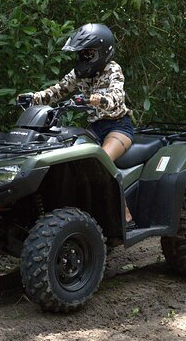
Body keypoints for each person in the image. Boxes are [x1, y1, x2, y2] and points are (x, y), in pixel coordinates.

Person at [20, 23, 136, 226]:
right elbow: (58, 90)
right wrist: (33, 98)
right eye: (82, 53)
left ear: (101, 52)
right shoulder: (79, 73)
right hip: (94, 129)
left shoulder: (113, 69)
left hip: (118, 126)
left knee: (102, 162)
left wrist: (95, 99)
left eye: (88, 53)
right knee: (72, 165)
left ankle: (125, 214)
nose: (84, 58)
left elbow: (116, 95)